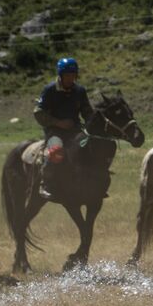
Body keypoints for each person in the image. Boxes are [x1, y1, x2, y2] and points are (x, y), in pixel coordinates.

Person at [34, 57, 94, 201]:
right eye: (67, 76)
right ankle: (46, 184)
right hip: (54, 131)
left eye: (73, 75)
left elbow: (87, 112)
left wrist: (91, 124)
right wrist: (58, 123)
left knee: (91, 147)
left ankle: (92, 183)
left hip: (75, 130)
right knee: (55, 150)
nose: (70, 79)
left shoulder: (80, 91)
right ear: (60, 75)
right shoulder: (50, 90)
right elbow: (38, 112)